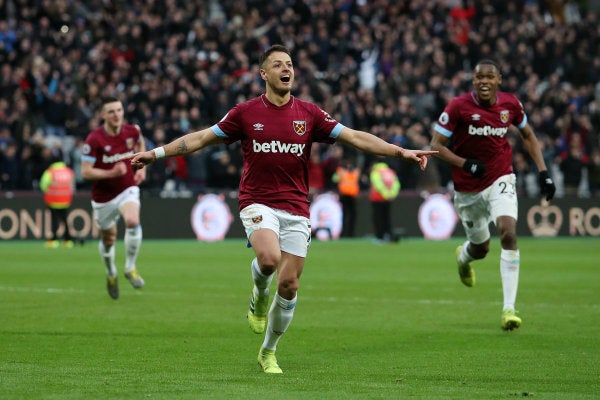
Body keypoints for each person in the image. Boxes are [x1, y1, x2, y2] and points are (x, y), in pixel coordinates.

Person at [130, 44, 437, 374]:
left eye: (289, 64)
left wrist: (399, 151)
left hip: (296, 207)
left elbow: (355, 138)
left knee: (289, 285)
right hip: (257, 200)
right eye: (277, 65)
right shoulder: (245, 113)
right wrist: (157, 153)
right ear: (264, 74)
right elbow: (202, 138)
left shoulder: (309, 114)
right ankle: (259, 292)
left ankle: (268, 351)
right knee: (269, 259)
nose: (285, 69)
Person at [429, 59, 556, 331]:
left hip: (500, 176)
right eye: (479, 78)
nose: (484, 82)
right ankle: (464, 257)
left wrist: (544, 171)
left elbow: (529, 136)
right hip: (467, 187)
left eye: (489, 77)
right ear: (473, 81)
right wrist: (465, 163)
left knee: (508, 232)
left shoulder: (510, 104)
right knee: (481, 249)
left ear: (499, 79)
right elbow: (435, 146)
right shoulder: (458, 107)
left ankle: (508, 309)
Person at [81, 96, 147, 300]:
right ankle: (111, 272)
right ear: (103, 115)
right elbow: (85, 172)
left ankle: (130, 267)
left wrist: (142, 167)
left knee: (132, 221)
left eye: (119, 110)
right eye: (111, 111)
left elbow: (140, 143)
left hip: (127, 188)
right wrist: (111, 173)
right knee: (108, 240)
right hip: (103, 197)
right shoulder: (94, 139)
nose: (116, 114)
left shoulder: (132, 131)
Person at [40, 155, 76, 248]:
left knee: (54, 221)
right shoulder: (69, 172)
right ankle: (68, 240)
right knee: (65, 220)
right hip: (65, 200)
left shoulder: (50, 172)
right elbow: (72, 186)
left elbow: (43, 185)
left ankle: (53, 240)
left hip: (53, 200)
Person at [369, 161, 400, 243]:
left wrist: (385, 194)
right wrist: (391, 195)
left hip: (377, 198)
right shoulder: (390, 172)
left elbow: (377, 184)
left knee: (378, 219)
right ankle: (388, 235)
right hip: (388, 199)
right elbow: (396, 184)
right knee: (387, 218)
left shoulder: (376, 172)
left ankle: (380, 237)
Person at [332, 158, 361, 237]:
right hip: (344, 196)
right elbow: (334, 179)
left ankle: (350, 233)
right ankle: (344, 233)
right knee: (344, 215)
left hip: (352, 196)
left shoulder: (354, 171)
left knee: (351, 216)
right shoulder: (341, 171)